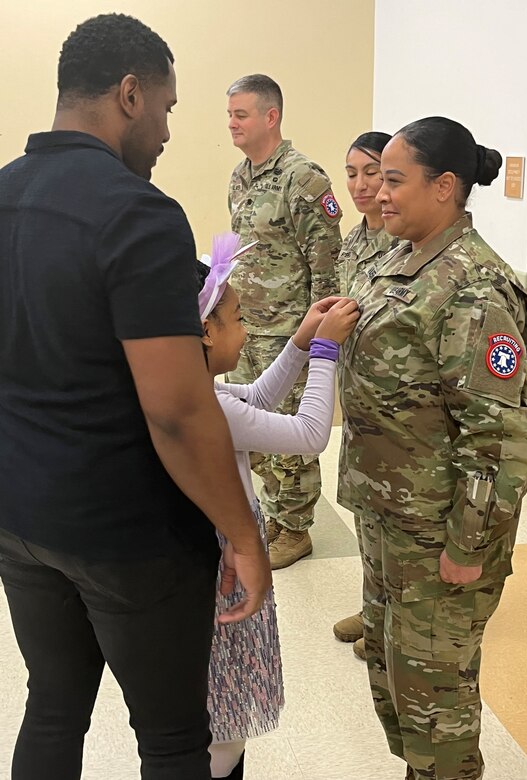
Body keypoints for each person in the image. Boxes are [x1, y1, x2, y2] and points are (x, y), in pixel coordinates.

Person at [0, 14, 270, 780]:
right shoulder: (136, 213)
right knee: (175, 739)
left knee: (51, 705)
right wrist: (243, 539)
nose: (167, 130)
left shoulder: (4, 195)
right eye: (168, 108)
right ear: (128, 94)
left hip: (19, 516)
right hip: (128, 536)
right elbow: (179, 413)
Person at [337, 117, 527, 780]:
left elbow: (496, 441)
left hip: (437, 534)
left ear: (444, 186)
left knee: (434, 704)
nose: (378, 194)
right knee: (395, 684)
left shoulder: (474, 290)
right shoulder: (399, 256)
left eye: (393, 180)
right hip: (388, 518)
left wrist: (465, 548)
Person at [198, 235, 359, 778]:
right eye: (237, 318)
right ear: (205, 331)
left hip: (217, 559)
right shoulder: (213, 411)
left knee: (219, 706)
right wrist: (326, 350)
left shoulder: (201, 396)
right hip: (227, 563)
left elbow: (258, 400)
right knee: (222, 715)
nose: (245, 330)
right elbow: (313, 433)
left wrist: (298, 341)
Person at [226, 73, 343, 569]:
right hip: (244, 329)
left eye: (240, 114)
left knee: (290, 434)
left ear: (270, 117)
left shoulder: (303, 178)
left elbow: (327, 265)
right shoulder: (240, 176)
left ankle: (296, 529)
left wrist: (316, 336)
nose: (231, 123)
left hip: (288, 333)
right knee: (254, 432)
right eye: (229, 114)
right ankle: (272, 513)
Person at [332, 130, 396, 662]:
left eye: (371, 171)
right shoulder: (353, 242)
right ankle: (373, 606)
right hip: (359, 402)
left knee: (394, 519)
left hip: (397, 410)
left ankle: (392, 618)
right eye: (351, 172)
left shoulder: (407, 243)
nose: (359, 184)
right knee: (365, 510)